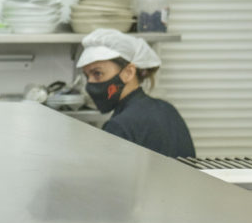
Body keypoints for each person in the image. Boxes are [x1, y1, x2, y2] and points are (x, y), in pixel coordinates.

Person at [76, 28, 196, 158]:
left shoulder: (119, 126)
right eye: (87, 76)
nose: (90, 83)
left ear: (128, 72)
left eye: (97, 73)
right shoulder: (167, 109)